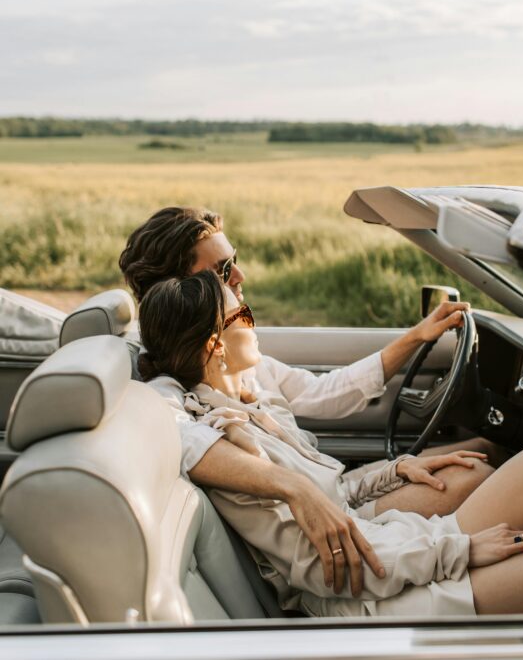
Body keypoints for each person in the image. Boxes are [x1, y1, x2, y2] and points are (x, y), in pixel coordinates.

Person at [139, 272, 523, 616]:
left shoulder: (250, 405)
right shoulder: (218, 439)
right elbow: (325, 570)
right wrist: (463, 549)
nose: (252, 315)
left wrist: (394, 470)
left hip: (394, 549)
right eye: (243, 313)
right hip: (377, 599)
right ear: (216, 344)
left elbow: (331, 489)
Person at [119, 206, 495, 594]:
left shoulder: (244, 364)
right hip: (335, 537)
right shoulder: (169, 394)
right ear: (179, 288)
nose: (239, 276)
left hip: (344, 500)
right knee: (482, 469)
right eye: (221, 268)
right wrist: (296, 489)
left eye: (235, 261)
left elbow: (322, 392)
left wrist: (416, 337)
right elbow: (184, 440)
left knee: (481, 453)